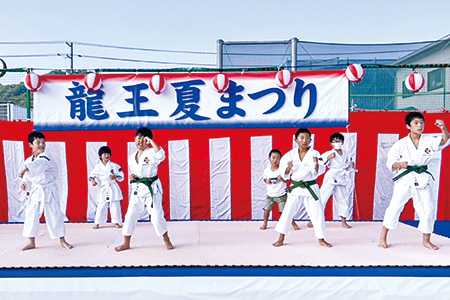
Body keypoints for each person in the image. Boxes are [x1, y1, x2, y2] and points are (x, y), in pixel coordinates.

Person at [378, 112, 449, 250]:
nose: (420, 125)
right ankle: (382, 238)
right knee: (394, 207)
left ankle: (426, 241)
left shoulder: (428, 140)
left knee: (428, 209)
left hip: (422, 178)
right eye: (416, 122)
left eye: (421, 122)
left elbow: (445, 140)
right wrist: (400, 165)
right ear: (408, 126)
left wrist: (443, 128)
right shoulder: (401, 144)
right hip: (405, 178)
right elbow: (390, 162)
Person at [115, 127, 174, 251]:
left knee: (157, 217)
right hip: (137, 190)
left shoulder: (152, 152)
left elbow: (160, 155)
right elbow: (134, 172)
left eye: (143, 139)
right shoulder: (132, 157)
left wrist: (151, 141)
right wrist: (132, 176)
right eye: (138, 138)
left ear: (148, 141)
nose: (140, 141)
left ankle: (166, 239)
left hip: (152, 189)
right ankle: (126, 243)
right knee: (130, 216)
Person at [273, 128, 332, 248]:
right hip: (296, 188)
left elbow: (319, 170)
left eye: (307, 138)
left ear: (311, 140)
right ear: (296, 140)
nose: (305, 140)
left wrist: (316, 165)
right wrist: (288, 168)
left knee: (317, 213)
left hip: (310, 187)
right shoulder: (290, 155)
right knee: (287, 212)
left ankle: (321, 238)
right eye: (302, 138)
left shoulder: (315, 154)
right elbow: (284, 172)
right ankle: (281, 237)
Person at [19, 131, 73, 251]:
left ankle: (62, 240)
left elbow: (40, 164)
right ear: (30, 145)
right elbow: (27, 178)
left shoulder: (46, 156)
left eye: (43, 142)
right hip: (36, 191)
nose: (42, 145)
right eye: (38, 142)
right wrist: (24, 184)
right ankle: (31, 241)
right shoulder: (28, 161)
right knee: (31, 215)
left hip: (49, 190)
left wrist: (25, 169)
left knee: (55, 215)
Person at [319, 133, 356, 229]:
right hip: (331, 177)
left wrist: (351, 166)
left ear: (343, 142)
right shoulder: (328, 153)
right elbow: (320, 164)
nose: (338, 143)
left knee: (343, 199)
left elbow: (348, 166)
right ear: (331, 144)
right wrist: (328, 158)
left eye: (339, 141)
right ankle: (315, 220)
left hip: (341, 177)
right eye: (335, 141)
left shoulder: (347, 154)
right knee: (322, 198)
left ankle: (344, 221)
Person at [260, 149, 299, 230]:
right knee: (267, 209)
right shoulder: (267, 170)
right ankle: (265, 223)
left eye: (278, 158)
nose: (275, 160)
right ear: (269, 159)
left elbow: (288, 180)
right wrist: (266, 181)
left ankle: (293, 223)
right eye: (273, 158)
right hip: (270, 195)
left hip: (281, 195)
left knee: (285, 212)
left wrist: (282, 180)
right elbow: (264, 179)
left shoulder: (282, 170)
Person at [89, 146, 124, 229]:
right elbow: (91, 176)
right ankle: (97, 222)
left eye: (108, 154)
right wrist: (93, 181)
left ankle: (116, 222)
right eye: (104, 154)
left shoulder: (114, 166)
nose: (106, 156)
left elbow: (121, 176)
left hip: (113, 187)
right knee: (101, 205)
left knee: (115, 205)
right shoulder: (98, 167)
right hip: (103, 187)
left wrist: (114, 177)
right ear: (100, 156)